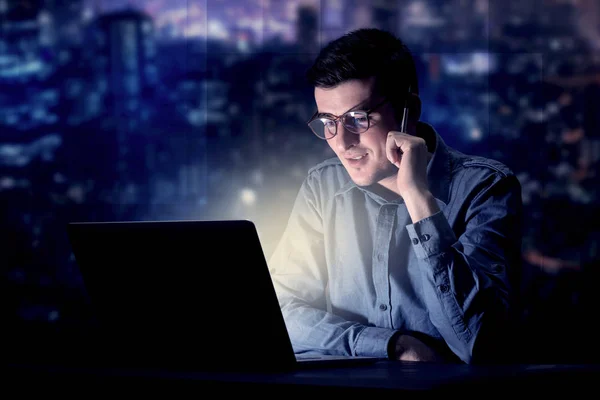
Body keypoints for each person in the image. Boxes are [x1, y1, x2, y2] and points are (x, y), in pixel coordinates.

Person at [267, 28, 524, 364]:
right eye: (328, 121)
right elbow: (282, 313)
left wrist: (418, 198)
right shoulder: (322, 188)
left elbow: (480, 341)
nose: (341, 143)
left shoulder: (485, 187)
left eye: (358, 119)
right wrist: (392, 345)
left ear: (409, 111)